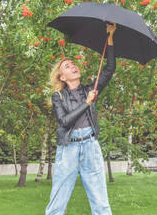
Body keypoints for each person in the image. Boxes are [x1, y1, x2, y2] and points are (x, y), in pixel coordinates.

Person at [46, 23, 117, 215]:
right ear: (62, 77)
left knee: (101, 203)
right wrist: (86, 103)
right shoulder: (58, 96)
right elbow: (64, 122)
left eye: (73, 64)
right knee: (57, 203)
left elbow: (109, 68)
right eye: (68, 67)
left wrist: (110, 37)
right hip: (68, 149)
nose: (73, 66)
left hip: (90, 147)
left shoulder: (89, 90)